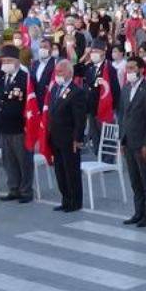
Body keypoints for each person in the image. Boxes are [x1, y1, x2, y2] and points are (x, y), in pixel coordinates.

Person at [118, 56, 146, 227]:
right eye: (128, 68)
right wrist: (122, 138)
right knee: (134, 180)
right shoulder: (126, 88)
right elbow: (122, 115)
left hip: (142, 142)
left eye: (133, 68)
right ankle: (138, 211)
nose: (130, 71)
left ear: (141, 69)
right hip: (128, 140)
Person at [0, 46, 34, 203]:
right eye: (4, 61)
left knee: (23, 160)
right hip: (5, 125)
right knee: (9, 160)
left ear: (17, 61)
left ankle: (26, 190)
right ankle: (13, 188)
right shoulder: (2, 77)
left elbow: (31, 101)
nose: (6, 64)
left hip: (20, 126)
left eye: (9, 61)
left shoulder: (25, 78)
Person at [48, 60, 87, 212]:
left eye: (61, 72)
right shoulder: (55, 89)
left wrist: (77, 139)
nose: (58, 75)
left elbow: (80, 118)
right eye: (56, 72)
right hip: (56, 137)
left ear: (69, 73)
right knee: (60, 171)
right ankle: (65, 199)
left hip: (69, 138)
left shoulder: (76, 92)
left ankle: (75, 201)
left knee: (71, 171)